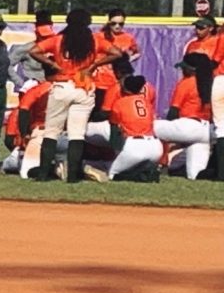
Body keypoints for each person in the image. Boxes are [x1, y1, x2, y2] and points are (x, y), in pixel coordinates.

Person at [31, 9, 105, 183]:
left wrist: (52, 64)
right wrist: (93, 65)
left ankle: (42, 175)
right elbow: (116, 52)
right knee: (77, 134)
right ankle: (72, 177)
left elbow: (34, 51)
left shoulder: (58, 40)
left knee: (51, 132)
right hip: (83, 87)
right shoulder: (94, 40)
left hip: (62, 86)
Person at [156, 45, 213, 179]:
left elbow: (173, 112)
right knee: (195, 175)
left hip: (187, 126)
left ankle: (161, 165)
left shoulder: (187, 82)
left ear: (192, 69)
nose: (182, 69)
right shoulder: (213, 82)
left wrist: (169, 130)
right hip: (207, 131)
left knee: (149, 127)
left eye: (184, 67)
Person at [103, 73, 164, 181]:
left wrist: (116, 149)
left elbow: (114, 127)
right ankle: (144, 170)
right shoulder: (147, 102)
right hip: (156, 147)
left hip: (135, 146)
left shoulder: (120, 102)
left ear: (125, 89)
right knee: (129, 166)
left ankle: (140, 175)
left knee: (111, 174)